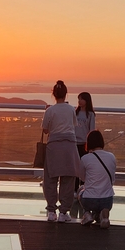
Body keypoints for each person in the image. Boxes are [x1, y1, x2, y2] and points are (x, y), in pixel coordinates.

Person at [41, 80, 83, 222]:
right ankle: (64, 212)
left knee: (51, 178)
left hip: (54, 146)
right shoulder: (71, 109)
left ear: (53, 94)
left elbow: (46, 129)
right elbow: (73, 125)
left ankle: (51, 210)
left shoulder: (50, 110)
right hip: (69, 146)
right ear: (66, 94)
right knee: (68, 178)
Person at [79, 130, 117, 228]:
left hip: (89, 200)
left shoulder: (85, 158)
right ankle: (103, 216)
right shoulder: (112, 157)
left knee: (81, 189)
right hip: (107, 200)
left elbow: (82, 178)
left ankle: (87, 214)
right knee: (102, 195)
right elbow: (112, 179)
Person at [75, 92, 97, 157]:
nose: (79, 101)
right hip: (74, 142)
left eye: (82, 99)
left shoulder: (90, 114)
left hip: (84, 143)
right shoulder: (75, 113)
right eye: (79, 99)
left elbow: (92, 129)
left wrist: (90, 144)